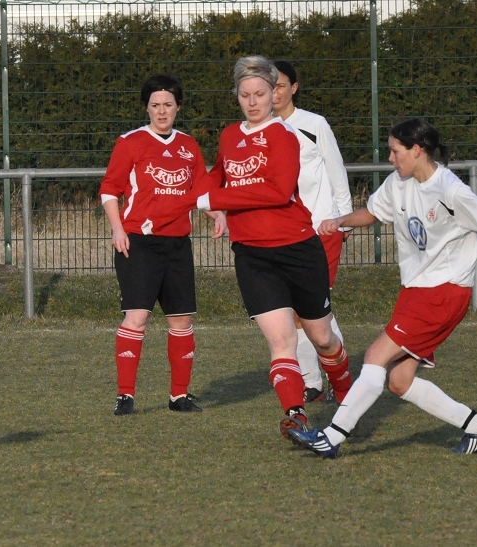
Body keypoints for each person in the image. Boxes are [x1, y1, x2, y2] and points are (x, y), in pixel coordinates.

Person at [289, 117, 477, 457]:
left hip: (443, 293)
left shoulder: (449, 189)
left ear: (416, 150)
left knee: (374, 357)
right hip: (415, 291)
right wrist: (340, 221)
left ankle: (331, 438)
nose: (390, 158)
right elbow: (373, 212)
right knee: (400, 381)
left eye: (395, 151)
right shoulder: (398, 182)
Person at [190, 55, 353, 440]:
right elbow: (218, 174)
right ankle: (296, 415)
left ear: (273, 93)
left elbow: (277, 192)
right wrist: (192, 194)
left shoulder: (285, 135)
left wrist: (214, 199)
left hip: (298, 249)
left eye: (260, 94)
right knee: (281, 340)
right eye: (245, 95)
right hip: (252, 255)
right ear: (237, 95)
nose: (253, 102)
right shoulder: (230, 135)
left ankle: (348, 397)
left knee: (323, 338)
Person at [97, 74, 226, 416]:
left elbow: (200, 191)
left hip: (177, 244)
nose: (161, 110)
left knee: (181, 321)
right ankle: (125, 395)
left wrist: (217, 214)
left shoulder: (189, 145)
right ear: (147, 108)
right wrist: (117, 229)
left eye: (168, 104)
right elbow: (109, 190)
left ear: (178, 107)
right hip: (138, 243)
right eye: (155, 105)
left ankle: (178, 396)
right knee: (137, 317)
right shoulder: (130, 142)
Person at [272, 60, 354, 404]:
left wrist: (344, 220)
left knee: (314, 309)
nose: (274, 92)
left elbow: (336, 170)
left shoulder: (313, 124)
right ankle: (316, 383)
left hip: (321, 228)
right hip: (284, 234)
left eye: (280, 85)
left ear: (294, 88)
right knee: (295, 310)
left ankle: (336, 382)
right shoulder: (261, 130)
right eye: (268, 86)